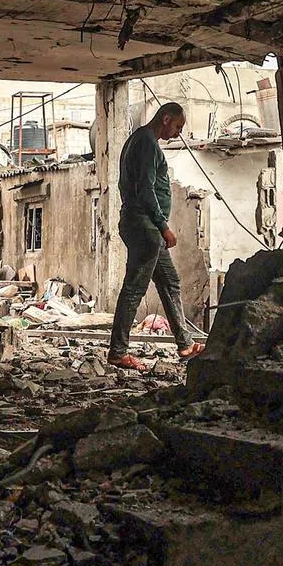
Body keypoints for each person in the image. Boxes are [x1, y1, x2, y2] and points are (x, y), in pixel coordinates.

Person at [107, 102, 204, 370]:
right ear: (166, 119)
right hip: (145, 228)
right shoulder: (147, 143)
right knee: (134, 288)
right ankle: (118, 352)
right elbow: (146, 190)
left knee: (169, 282)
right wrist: (163, 226)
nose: (179, 132)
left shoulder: (137, 140)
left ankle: (185, 344)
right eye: (178, 126)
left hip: (142, 226)